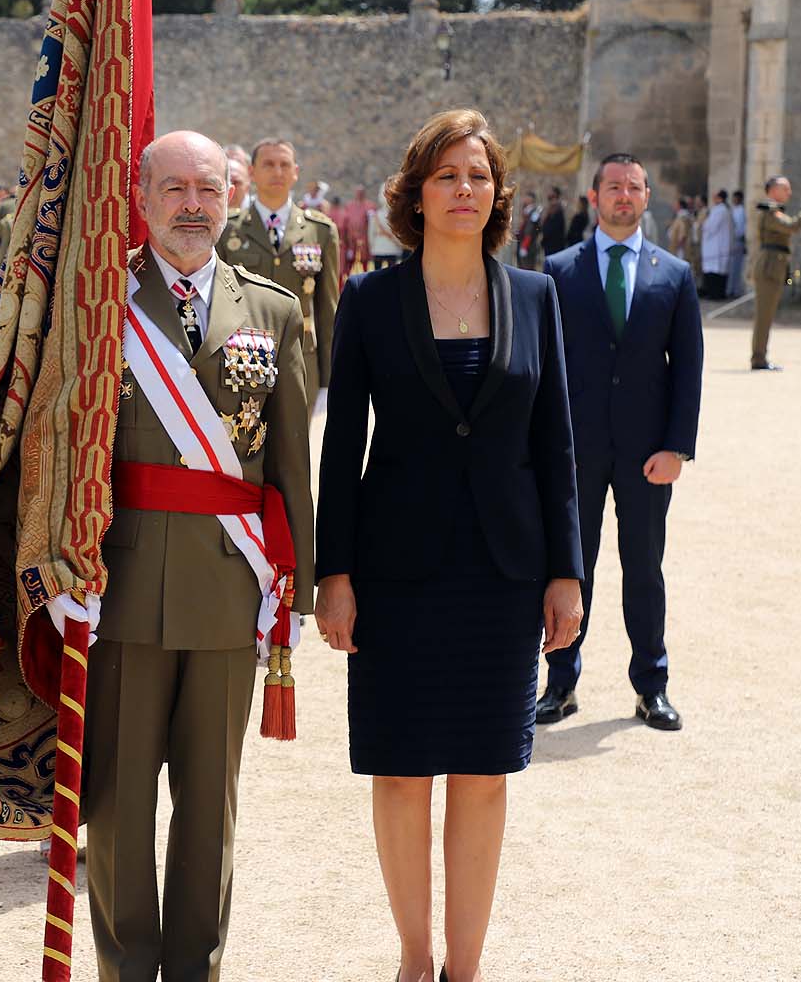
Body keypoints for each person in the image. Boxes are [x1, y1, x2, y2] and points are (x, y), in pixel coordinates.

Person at [313, 109, 583, 982]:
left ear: (497, 193)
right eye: (446, 176)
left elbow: (558, 450)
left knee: (483, 775)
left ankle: (467, 967)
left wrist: (566, 575)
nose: (464, 190)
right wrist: (335, 574)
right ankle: (415, 958)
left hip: (505, 578)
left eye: (477, 176)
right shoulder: (370, 299)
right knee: (399, 774)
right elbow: (341, 444)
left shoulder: (537, 297)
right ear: (416, 195)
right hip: (395, 578)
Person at [84, 129, 314, 982]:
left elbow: (290, 464)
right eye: (174, 189)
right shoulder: (100, 302)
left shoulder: (274, 308)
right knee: (115, 807)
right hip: (121, 585)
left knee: (210, 808)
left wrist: (300, 587)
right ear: (141, 201)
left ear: (231, 198)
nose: (192, 206)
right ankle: (127, 967)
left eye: (209, 190)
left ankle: (194, 968)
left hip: (231, 586)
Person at [540, 152, 703, 734]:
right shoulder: (557, 270)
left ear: (647, 196)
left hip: (646, 454)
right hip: (574, 452)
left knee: (644, 569)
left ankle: (651, 686)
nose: (624, 196)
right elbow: (544, 364)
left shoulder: (674, 274)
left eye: (634, 187)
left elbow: (687, 369)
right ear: (594, 196)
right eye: (614, 187)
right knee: (568, 569)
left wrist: (677, 447)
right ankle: (560, 683)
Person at [219, 137, 341, 395]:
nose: (277, 172)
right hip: (242, 358)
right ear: (251, 172)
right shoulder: (227, 229)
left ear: (296, 172)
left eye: (285, 165)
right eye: (269, 164)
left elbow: (327, 310)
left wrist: (330, 377)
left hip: (300, 358)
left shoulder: (320, 231)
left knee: (297, 435)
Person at [750, 174, 801, 371]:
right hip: (770, 267)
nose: (789, 193)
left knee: (766, 316)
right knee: (764, 316)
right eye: (785, 188)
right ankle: (758, 359)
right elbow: (791, 226)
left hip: (774, 266)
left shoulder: (774, 210)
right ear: (773, 190)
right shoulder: (770, 211)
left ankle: (760, 356)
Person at [701, 191, 733, 298]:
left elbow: (711, 227)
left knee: (714, 270)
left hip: (715, 246)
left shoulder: (719, 210)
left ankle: (714, 294)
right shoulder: (725, 210)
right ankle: (717, 293)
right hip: (718, 245)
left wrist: (703, 224)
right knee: (718, 270)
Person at [367, 190, 402, 269]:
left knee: (377, 275)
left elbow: (371, 234)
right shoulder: (396, 216)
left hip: (378, 248)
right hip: (392, 248)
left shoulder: (376, 215)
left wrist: (372, 247)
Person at [726, 190, 748, 297]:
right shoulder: (732, 210)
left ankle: (735, 290)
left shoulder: (742, 211)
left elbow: (740, 228)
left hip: (737, 241)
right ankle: (729, 289)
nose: (734, 200)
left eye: (736, 198)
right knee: (730, 267)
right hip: (731, 241)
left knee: (737, 268)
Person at [540, 188, 567, 256]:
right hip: (549, 244)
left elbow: (553, 228)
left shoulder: (558, 210)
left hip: (555, 245)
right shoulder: (550, 210)